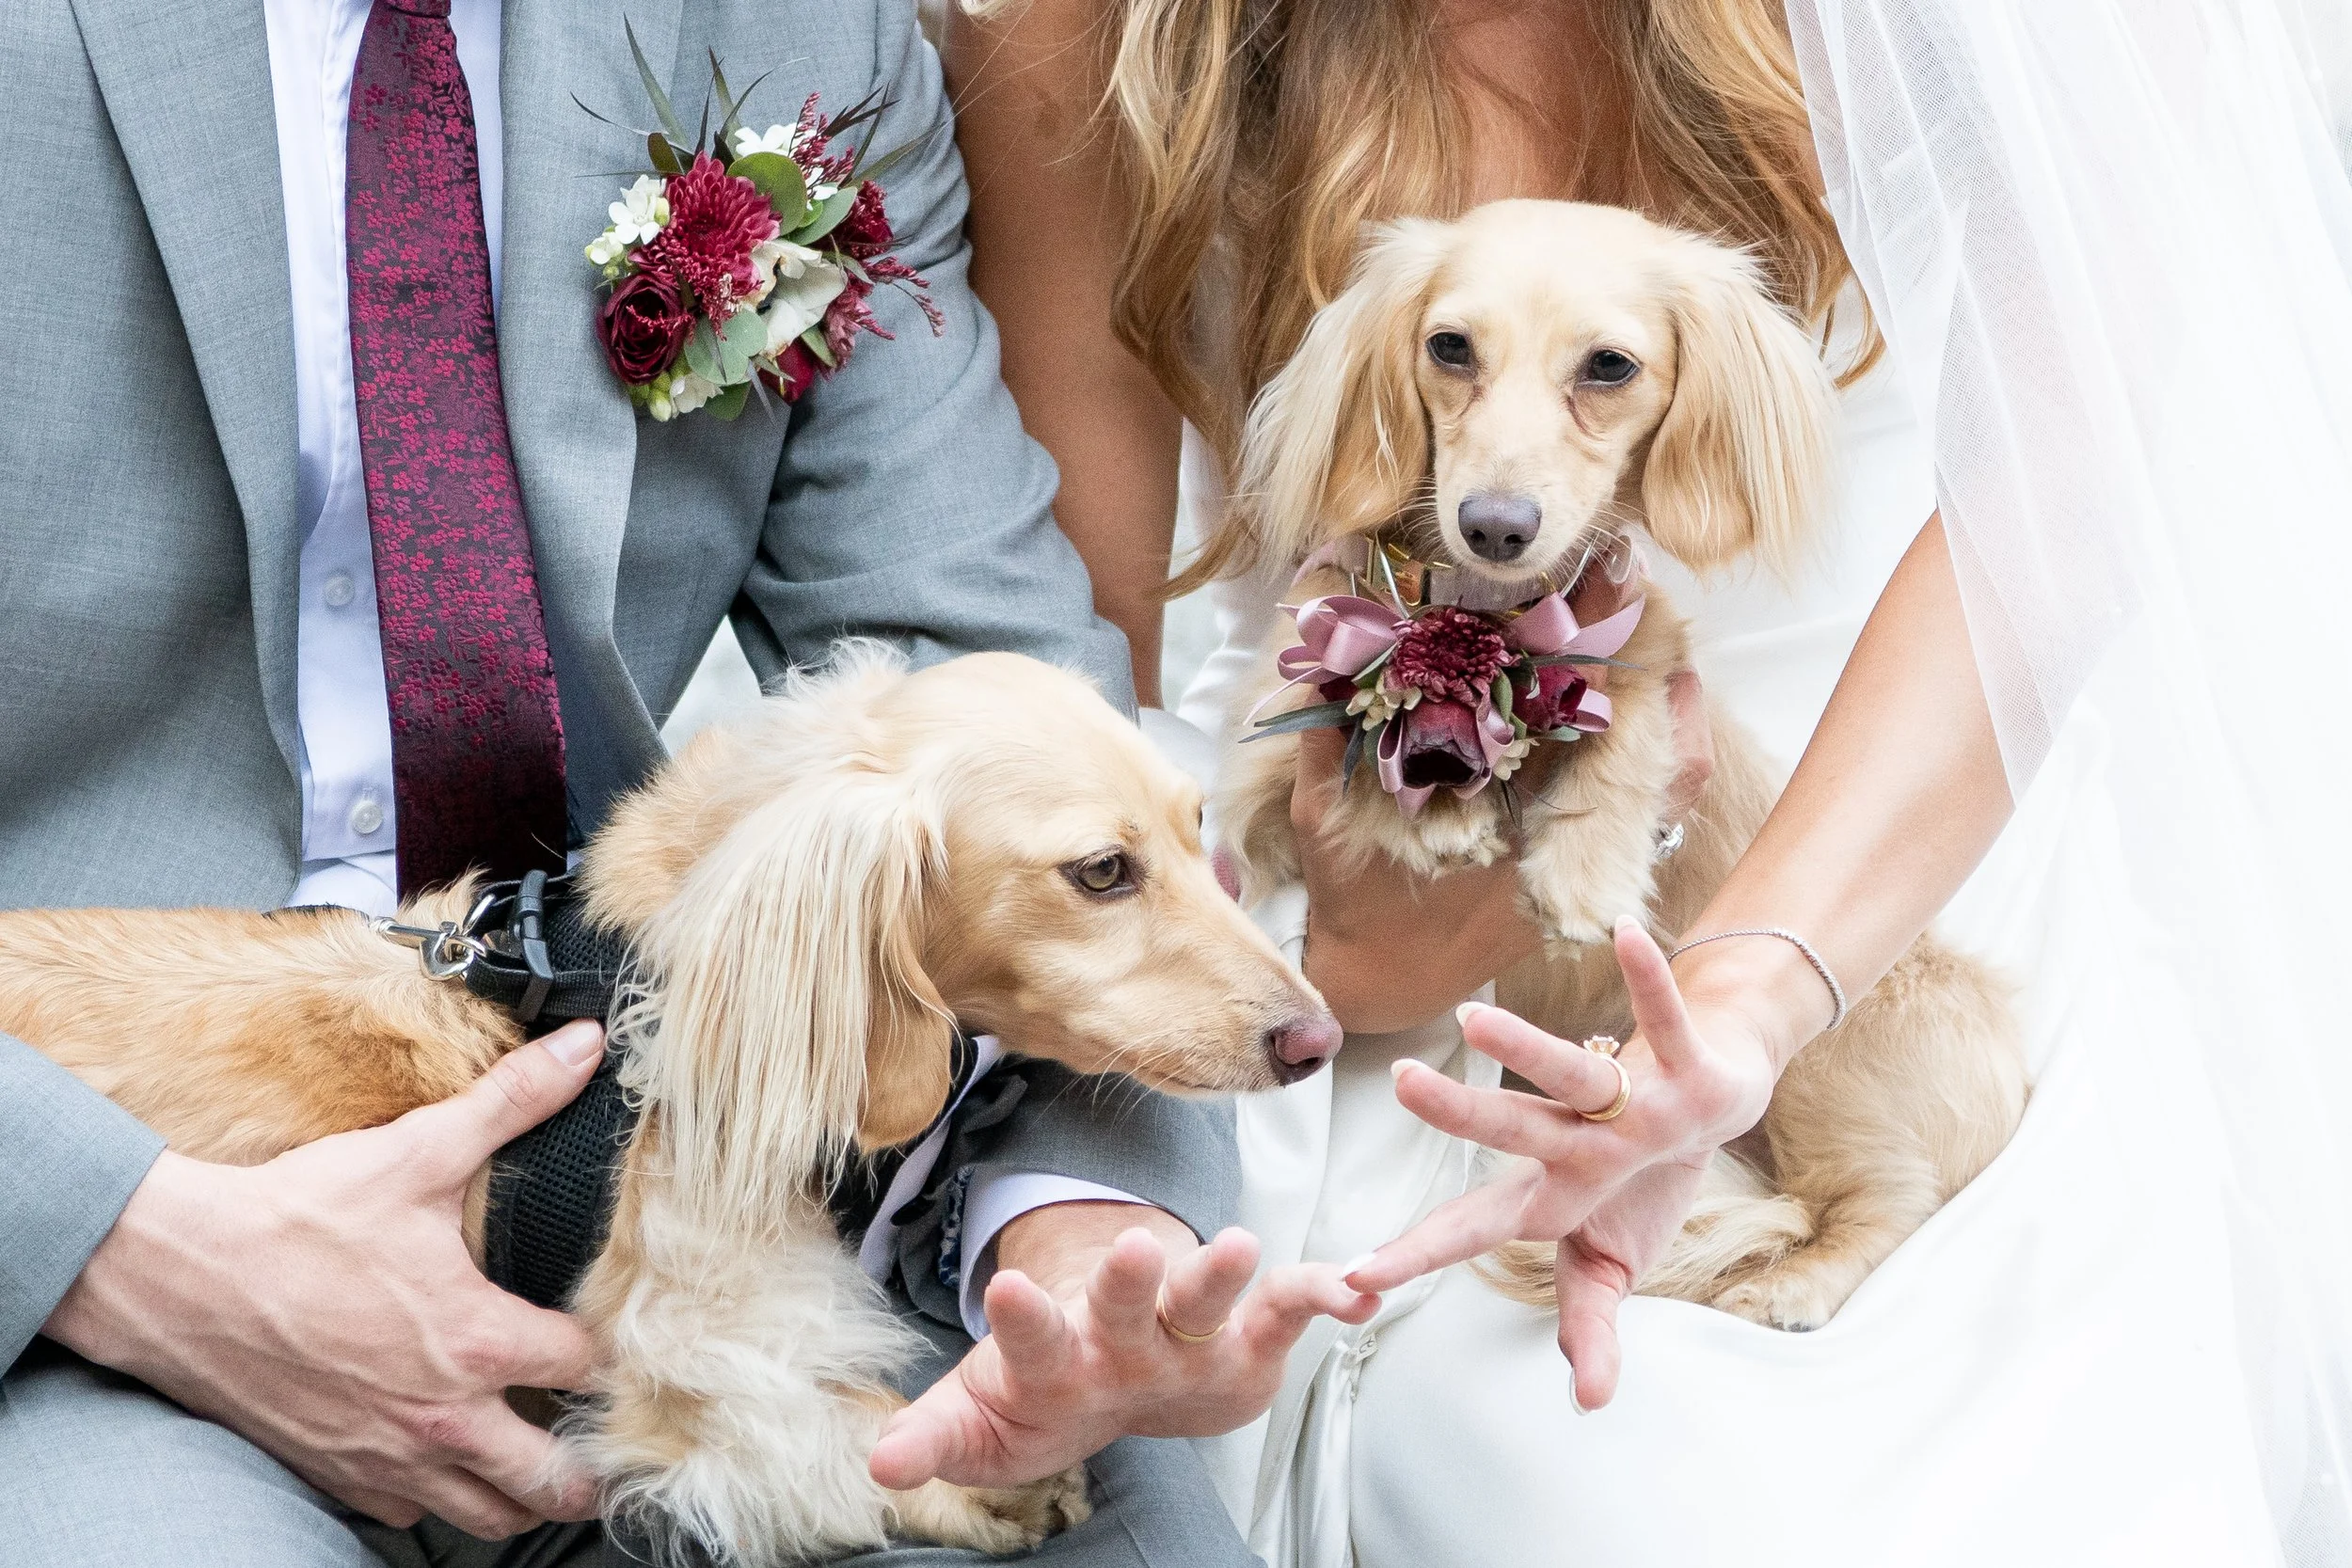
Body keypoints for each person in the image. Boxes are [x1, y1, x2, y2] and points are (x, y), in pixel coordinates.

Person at [947, 0, 2352, 1562]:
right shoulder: (1087, 31)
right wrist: (1327, 955)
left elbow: (2060, 495)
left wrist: (1742, 1000)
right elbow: (1059, 652)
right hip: (1327, 896)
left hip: (1890, 841)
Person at [0, 3, 1371, 1565]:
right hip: (100, 1226)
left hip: (732, 1184)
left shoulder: (808, 35)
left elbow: (992, 686)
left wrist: (1074, 1225)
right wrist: (112, 1237)